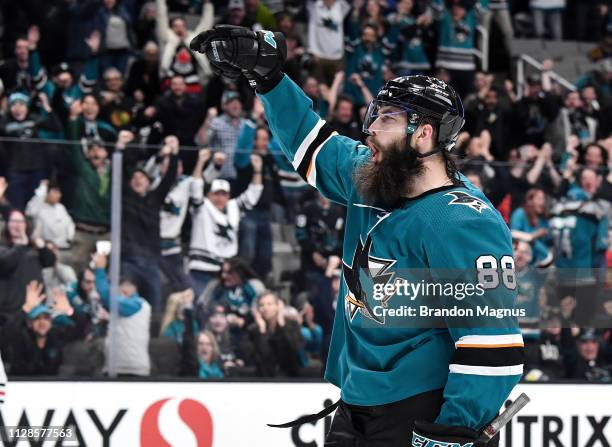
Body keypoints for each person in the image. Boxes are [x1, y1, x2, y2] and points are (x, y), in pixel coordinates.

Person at [191, 26, 523, 445]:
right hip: (355, 406)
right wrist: (270, 78)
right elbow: (309, 141)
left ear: (423, 135)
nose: (369, 129)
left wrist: (455, 428)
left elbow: (492, 343)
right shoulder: (370, 176)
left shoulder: (464, 222)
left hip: (423, 412)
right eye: (374, 114)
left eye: (387, 118)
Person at [187, 157, 263, 297]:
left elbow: (253, 194)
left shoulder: (233, 207)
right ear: (209, 195)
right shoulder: (202, 207)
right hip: (202, 269)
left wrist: (257, 171)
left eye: (224, 194)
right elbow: (195, 186)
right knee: (201, 307)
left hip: (226, 271)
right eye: (216, 194)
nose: (220, 198)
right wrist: (201, 161)